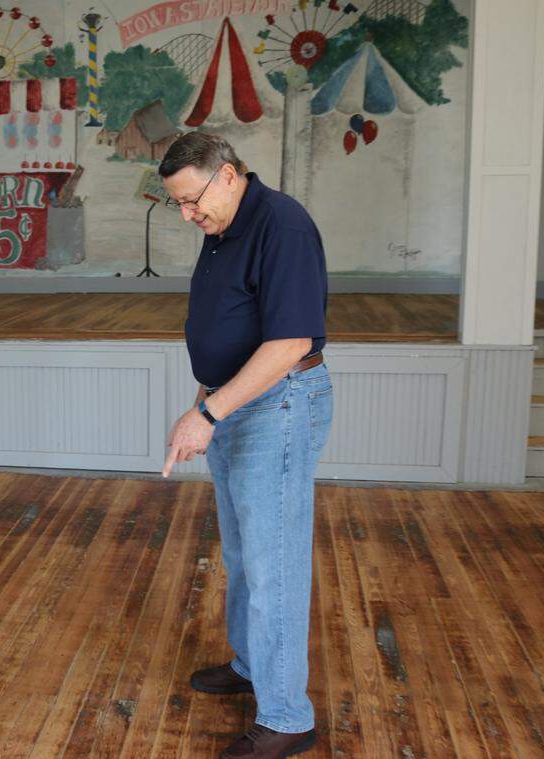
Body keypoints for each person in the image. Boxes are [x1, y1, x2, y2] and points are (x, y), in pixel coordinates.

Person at [159, 132, 332, 759]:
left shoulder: (281, 227)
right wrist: (209, 401)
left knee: (274, 564)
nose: (187, 215)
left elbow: (289, 344)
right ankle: (253, 666)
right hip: (233, 404)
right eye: (176, 204)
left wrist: (207, 410)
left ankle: (287, 718)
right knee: (242, 552)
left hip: (276, 408)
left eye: (191, 200)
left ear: (227, 175)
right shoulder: (223, 223)